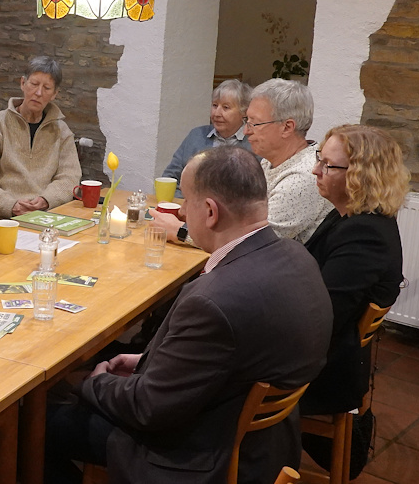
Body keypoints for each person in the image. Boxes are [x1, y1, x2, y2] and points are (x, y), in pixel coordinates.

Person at [44, 146, 332, 484]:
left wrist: (95, 382)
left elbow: (147, 408)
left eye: (186, 201)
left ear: (210, 211)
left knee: (36, 422)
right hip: (263, 445)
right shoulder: (298, 257)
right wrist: (152, 362)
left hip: (197, 455)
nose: (181, 211)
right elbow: (226, 357)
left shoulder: (213, 301)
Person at [299, 124, 409, 478]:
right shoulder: (348, 215)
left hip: (325, 369)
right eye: (319, 159)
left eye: (328, 165)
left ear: (362, 176)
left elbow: (322, 318)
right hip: (327, 349)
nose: (315, 170)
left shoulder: (365, 233)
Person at [154, 78, 332, 245]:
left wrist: (181, 232)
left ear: (287, 127)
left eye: (254, 123)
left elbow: (253, 242)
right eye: (247, 121)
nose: (246, 131)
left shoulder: (303, 177)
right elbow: (237, 217)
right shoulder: (269, 162)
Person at [0, 56, 81, 231]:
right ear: (23, 83)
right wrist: (12, 205)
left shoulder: (61, 131)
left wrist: (46, 200)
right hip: (3, 221)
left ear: (54, 94)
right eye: (34, 84)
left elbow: (70, 179)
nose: (38, 93)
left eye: (46, 88)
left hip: (47, 219)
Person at [161, 79, 254, 197]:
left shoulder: (253, 143)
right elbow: (170, 178)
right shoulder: (196, 135)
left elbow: (253, 194)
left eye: (226, 107)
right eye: (214, 105)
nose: (217, 113)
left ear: (244, 112)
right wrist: (189, 202)